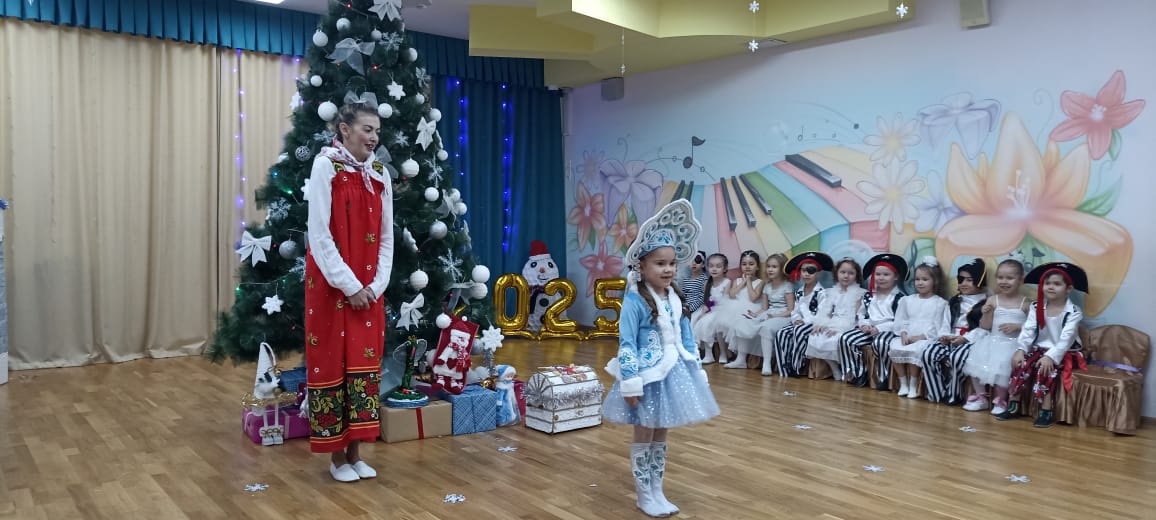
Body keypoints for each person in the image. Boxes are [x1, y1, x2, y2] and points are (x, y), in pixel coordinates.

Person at [603, 200, 720, 517]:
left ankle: (657, 490)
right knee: (645, 432)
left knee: (662, 432)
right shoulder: (635, 301)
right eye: (659, 263)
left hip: (673, 373)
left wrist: (696, 368)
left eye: (672, 263)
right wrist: (630, 381)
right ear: (641, 266)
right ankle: (644, 494)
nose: (668, 269)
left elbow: (687, 336)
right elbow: (626, 343)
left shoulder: (675, 296)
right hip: (647, 377)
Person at [304, 100, 394, 482]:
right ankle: (337, 458)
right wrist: (350, 285)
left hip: (368, 290)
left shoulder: (380, 174)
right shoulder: (326, 166)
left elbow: (387, 237)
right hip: (331, 287)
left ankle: (356, 454)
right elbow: (319, 234)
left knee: (363, 363)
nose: (373, 138)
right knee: (332, 362)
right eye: (366, 129)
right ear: (344, 129)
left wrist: (376, 285)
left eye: (377, 131)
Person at [996, 262, 1088, 428]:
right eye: (1047, 283)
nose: (1050, 287)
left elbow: (1065, 340)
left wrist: (1050, 357)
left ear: (1068, 289)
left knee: (1045, 369)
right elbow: (1028, 330)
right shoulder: (1036, 306)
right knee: (1020, 363)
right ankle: (1013, 405)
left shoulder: (1073, 312)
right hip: (1040, 348)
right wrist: (1021, 349)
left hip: (1065, 351)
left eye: (1057, 284)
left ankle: (1046, 411)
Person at [962, 259, 1029, 414]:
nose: (1004, 281)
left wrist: (1018, 326)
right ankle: (981, 397)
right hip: (992, 340)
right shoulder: (993, 300)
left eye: (1009, 278)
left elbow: (1033, 327)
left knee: (1003, 367)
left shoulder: (1026, 303)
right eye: (1000, 277)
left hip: (1013, 343)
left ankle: (1001, 400)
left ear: (1021, 280)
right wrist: (987, 313)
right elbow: (985, 326)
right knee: (976, 363)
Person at [921, 258, 989, 405]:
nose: (964, 283)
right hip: (951, 337)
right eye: (961, 279)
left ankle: (954, 394)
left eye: (969, 280)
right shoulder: (954, 301)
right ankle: (937, 393)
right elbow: (946, 322)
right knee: (928, 354)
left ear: (979, 281)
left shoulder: (985, 303)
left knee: (957, 358)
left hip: (970, 341)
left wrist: (965, 339)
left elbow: (984, 329)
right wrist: (944, 336)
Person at [838, 254, 907, 388]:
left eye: (886, 275)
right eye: (878, 274)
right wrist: (864, 325)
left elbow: (899, 321)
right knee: (846, 338)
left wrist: (879, 328)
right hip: (869, 329)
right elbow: (862, 314)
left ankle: (884, 376)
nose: (881, 278)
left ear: (895, 277)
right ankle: (857, 372)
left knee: (880, 343)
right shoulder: (869, 296)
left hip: (888, 330)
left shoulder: (899, 298)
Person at [887, 258, 952, 398]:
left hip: (925, 337)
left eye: (925, 279)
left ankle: (913, 384)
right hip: (908, 335)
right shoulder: (907, 300)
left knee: (917, 349)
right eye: (917, 279)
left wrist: (921, 337)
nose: (920, 283)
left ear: (935, 281)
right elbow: (902, 320)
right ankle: (903, 383)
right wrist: (903, 333)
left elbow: (939, 325)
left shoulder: (940, 303)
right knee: (895, 346)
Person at [773, 252, 832, 378]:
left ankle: (796, 365)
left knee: (799, 331)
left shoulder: (821, 293)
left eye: (811, 270)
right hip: (800, 323)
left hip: (815, 324)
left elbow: (821, 315)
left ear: (818, 273)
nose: (806, 274)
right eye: (803, 270)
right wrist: (796, 319)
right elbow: (795, 310)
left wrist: (804, 321)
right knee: (781, 333)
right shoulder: (799, 292)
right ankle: (783, 366)